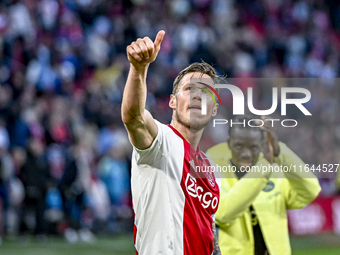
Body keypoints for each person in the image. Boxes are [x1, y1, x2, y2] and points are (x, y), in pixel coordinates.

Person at [121, 30, 222, 254]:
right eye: (189, 89)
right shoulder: (162, 142)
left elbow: (210, 236)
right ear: (173, 102)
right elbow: (134, 118)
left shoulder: (212, 171)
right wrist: (139, 69)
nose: (197, 95)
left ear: (214, 109)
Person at [206, 116, 321, 255]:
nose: (246, 154)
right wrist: (263, 168)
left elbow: (310, 190)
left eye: (253, 147)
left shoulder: (274, 173)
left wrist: (279, 152)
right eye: (239, 146)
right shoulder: (215, 172)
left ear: (261, 145)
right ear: (229, 144)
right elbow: (223, 214)